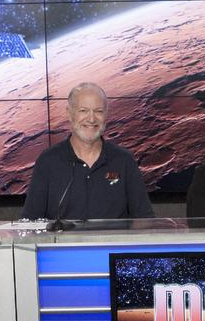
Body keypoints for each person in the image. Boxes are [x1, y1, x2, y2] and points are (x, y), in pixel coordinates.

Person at [21, 83, 153, 221]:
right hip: (63, 243)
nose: (91, 119)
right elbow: (30, 222)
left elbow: (145, 220)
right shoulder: (48, 161)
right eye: (83, 110)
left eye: (99, 111)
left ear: (106, 115)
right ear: (69, 113)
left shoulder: (124, 160)